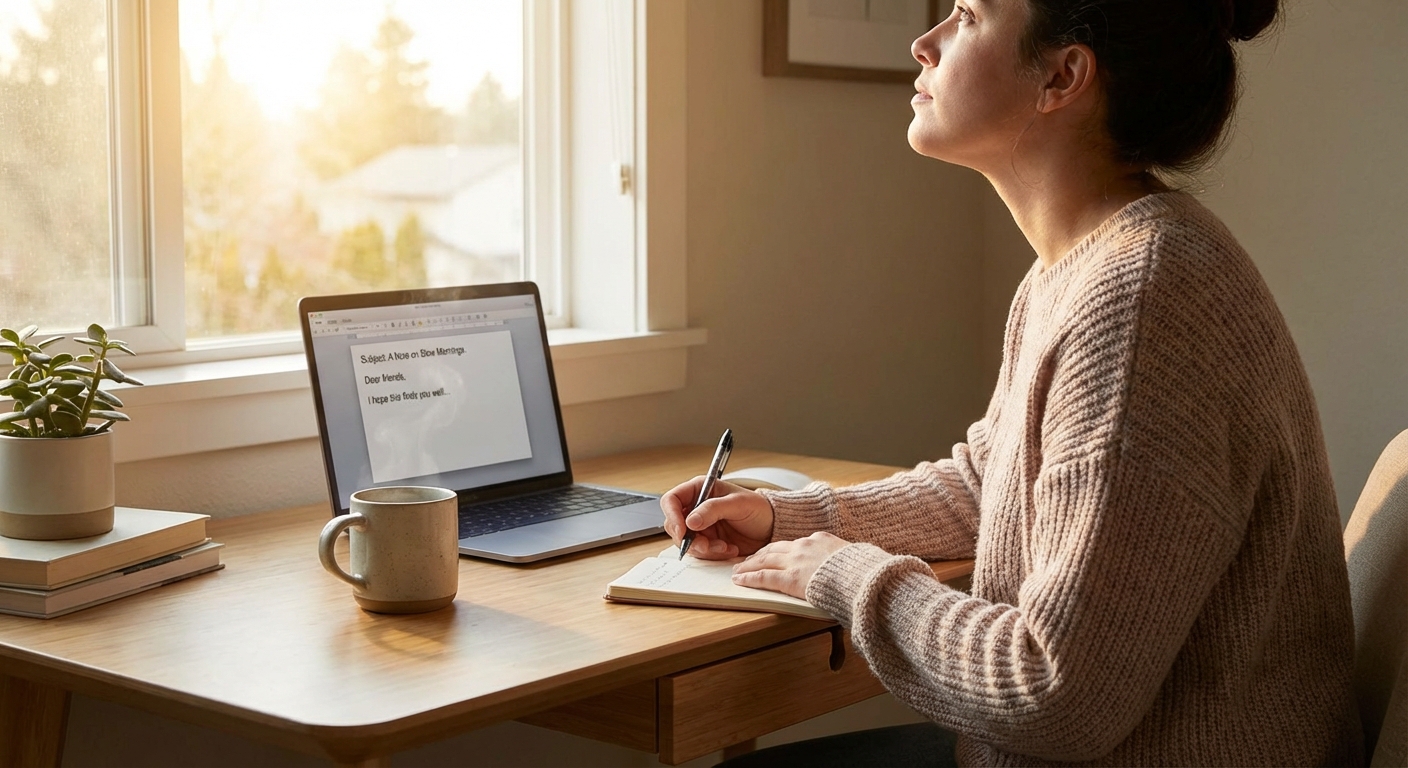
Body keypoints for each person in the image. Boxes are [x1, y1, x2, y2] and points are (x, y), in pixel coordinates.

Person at [662, 0, 1364, 765]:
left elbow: (1055, 693)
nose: (923, 43)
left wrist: (840, 571)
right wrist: (781, 518)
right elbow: (990, 483)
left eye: (964, 15)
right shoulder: (1080, 267)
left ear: (1062, 76)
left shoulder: (1142, 298)